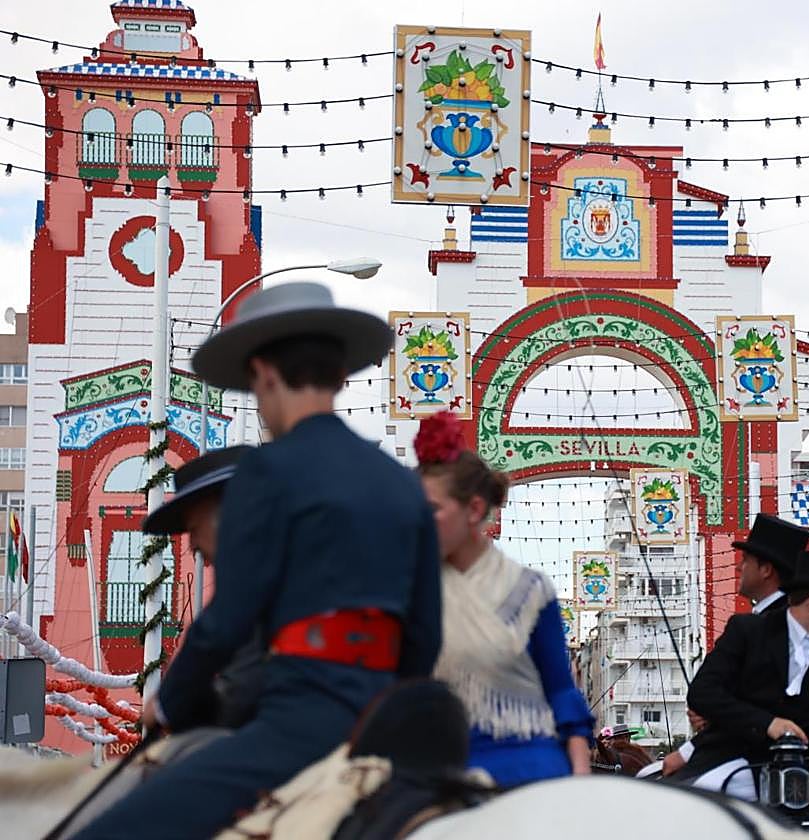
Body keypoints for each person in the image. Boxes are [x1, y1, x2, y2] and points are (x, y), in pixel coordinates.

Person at [76, 282, 443, 839]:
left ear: (265, 373)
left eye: (254, 387)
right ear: (339, 375)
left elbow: (230, 618)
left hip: (302, 722)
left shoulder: (266, 473)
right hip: (391, 727)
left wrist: (168, 703)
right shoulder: (402, 486)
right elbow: (424, 636)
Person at [415, 411, 593, 787]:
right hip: (436, 763)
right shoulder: (413, 589)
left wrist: (579, 772)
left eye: (431, 509)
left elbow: (559, 687)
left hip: (526, 761)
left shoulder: (530, 590)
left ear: (474, 510)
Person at [674, 551, 809, 801]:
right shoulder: (747, 632)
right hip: (731, 762)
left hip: (802, 782)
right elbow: (703, 693)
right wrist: (767, 723)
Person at [648, 515, 809, 780]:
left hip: (750, 760)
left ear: (766, 569)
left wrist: (696, 741)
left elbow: (733, 701)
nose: (739, 568)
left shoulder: (762, 626)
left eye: (746, 561)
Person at [142, 444, 261, 728]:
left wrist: (163, 707)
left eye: (194, 529)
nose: (192, 545)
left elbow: (213, 634)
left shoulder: (256, 570)